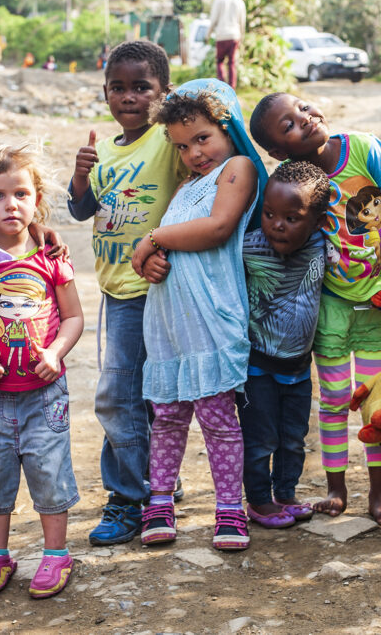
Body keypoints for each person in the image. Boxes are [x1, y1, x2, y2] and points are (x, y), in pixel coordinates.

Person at [249, 92, 381, 526]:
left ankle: (378, 493)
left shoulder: (365, 149)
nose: (304, 119)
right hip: (331, 304)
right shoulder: (290, 180)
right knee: (335, 400)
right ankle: (336, 488)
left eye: (302, 108)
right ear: (280, 152)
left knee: (379, 403)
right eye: (289, 125)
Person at [131, 78, 268, 551]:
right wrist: (149, 256)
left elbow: (217, 227)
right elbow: (174, 239)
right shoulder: (188, 184)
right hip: (170, 319)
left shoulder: (238, 168)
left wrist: (150, 241)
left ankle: (229, 508)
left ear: (227, 127)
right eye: (182, 146)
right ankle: (160, 501)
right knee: (167, 416)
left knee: (218, 418)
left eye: (202, 138)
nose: (194, 153)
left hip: (212, 314)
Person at [67, 40, 186, 546]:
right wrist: (80, 176)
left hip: (158, 287)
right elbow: (80, 211)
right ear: (105, 93)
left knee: (128, 396)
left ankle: (128, 498)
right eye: (118, 87)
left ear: (165, 93)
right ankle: (154, 481)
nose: (129, 96)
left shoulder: (168, 139)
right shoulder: (106, 151)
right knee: (128, 395)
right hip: (115, 290)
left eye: (143, 86)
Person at [0, 141, 84, 598]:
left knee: (50, 471)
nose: (12, 204)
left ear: (37, 199)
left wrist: (56, 352)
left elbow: (73, 317)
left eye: (22, 194)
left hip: (44, 394)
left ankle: (55, 554)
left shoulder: (51, 257)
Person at [239, 161, 330, 529]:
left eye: (292, 218)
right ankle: (260, 501)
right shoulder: (247, 246)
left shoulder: (324, 245)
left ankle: (286, 492)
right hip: (257, 365)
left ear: (318, 222)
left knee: (293, 438)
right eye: (270, 213)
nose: (277, 224)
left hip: (298, 366)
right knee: (260, 439)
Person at [208, 0, 246, 89]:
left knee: (219, 61)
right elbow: (242, 22)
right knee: (232, 63)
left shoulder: (219, 0)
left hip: (221, 36)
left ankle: (222, 87)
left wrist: (208, 34)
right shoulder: (240, 2)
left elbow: (213, 20)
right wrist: (241, 38)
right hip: (234, 35)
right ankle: (232, 88)